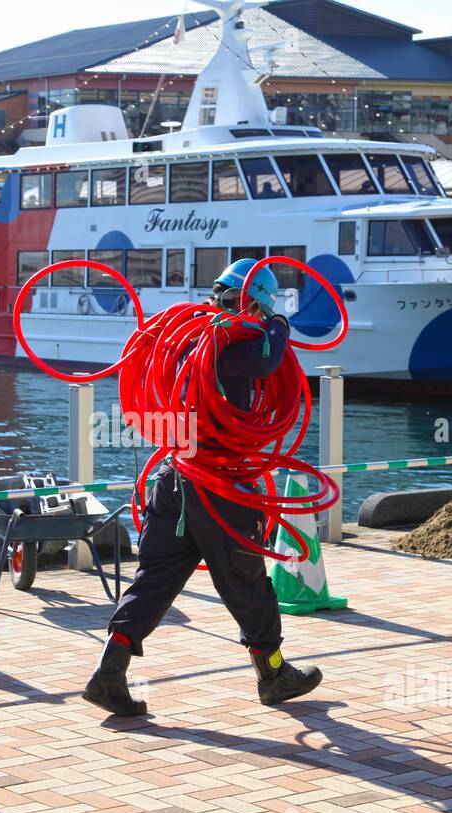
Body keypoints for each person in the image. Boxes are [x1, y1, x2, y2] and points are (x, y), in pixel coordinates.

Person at [82, 259, 322, 717]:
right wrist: (277, 324)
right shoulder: (232, 344)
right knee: (247, 582)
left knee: (154, 580)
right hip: (221, 484)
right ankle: (273, 675)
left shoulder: (184, 339)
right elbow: (268, 357)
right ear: (253, 302)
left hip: (175, 479)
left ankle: (109, 673)